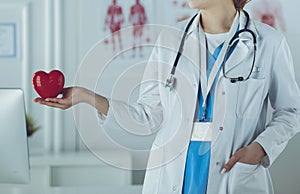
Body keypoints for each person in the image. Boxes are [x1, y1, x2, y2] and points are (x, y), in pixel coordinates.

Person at [35, 0, 300, 193]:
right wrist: (84, 95)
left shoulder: (268, 42)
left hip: (233, 174)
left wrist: (260, 149)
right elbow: (148, 116)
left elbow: (291, 111)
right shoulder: (171, 40)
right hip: (173, 175)